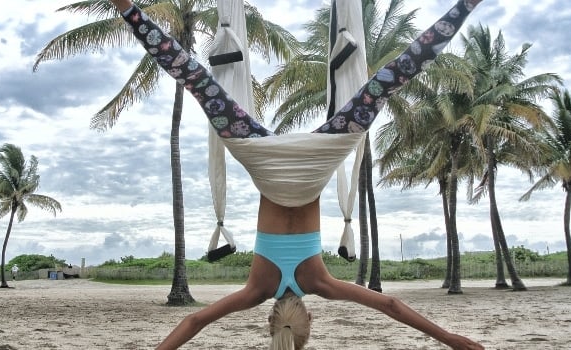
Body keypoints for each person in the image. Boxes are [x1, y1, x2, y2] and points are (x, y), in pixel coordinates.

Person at [108, 0, 485, 349]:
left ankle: (467, 3)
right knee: (192, 76)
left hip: (319, 161)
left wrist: (450, 338)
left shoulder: (320, 282)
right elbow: (194, 322)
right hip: (261, 159)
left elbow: (390, 305)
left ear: (310, 317)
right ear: (271, 321)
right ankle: (126, 7)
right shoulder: (256, 289)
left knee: (395, 75)